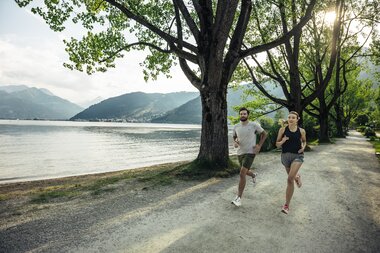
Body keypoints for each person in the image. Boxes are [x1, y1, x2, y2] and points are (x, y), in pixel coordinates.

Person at [231, 107, 267, 207]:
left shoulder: (254, 125)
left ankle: (238, 198)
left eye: (244, 114)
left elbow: (264, 134)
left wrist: (259, 145)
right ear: (239, 115)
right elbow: (234, 136)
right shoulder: (236, 126)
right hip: (240, 152)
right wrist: (235, 141)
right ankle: (253, 175)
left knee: (242, 173)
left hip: (251, 151)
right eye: (241, 114)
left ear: (248, 115)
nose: (242, 115)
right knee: (245, 171)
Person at [276, 111, 306, 214]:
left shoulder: (301, 131)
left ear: (297, 119)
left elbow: (304, 141)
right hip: (285, 156)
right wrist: (283, 141)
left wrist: (303, 147)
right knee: (292, 177)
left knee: (289, 179)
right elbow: (277, 145)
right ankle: (297, 177)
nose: (291, 119)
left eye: (293, 117)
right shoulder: (282, 130)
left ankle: (286, 205)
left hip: (298, 156)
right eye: (289, 117)